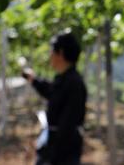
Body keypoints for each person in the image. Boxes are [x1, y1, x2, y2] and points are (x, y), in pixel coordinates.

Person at [23, 32, 87, 165]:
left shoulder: (74, 83)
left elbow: (67, 125)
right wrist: (33, 80)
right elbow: (51, 91)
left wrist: (49, 154)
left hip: (63, 153)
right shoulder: (64, 79)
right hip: (56, 148)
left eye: (51, 51)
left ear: (61, 53)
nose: (49, 56)